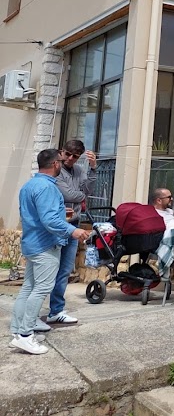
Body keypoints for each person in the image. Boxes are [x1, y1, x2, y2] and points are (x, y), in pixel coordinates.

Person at [10, 150, 90, 355]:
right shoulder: (47, 188)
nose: (63, 164)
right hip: (45, 245)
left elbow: (39, 215)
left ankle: (18, 332)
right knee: (41, 288)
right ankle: (26, 336)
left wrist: (59, 215)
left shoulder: (29, 185)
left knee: (28, 288)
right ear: (55, 164)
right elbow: (50, 221)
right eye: (62, 161)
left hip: (32, 243)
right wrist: (74, 230)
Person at [47, 139, 96, 326]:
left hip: (73, 223)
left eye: (75, 157)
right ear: (62, 151)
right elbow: (69, 195)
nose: (70, 159)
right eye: (68, 154)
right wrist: (81, 195)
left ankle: (56, 310)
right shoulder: (55, 169)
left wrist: (92, 168)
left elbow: (89, 189)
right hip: (57, 225)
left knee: (65, 269)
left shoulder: (79, 170)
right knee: (49, 269)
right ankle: (34, 312)